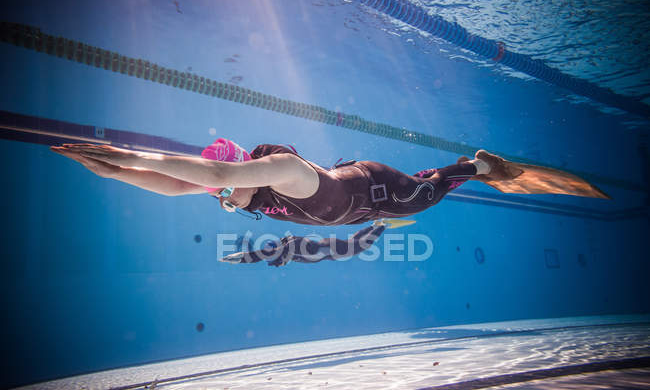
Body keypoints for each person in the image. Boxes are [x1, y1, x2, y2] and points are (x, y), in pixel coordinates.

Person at [50, 140, 515, 226]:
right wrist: (114, 172)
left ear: (241, 170)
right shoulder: (237, 190)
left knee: (427, 195)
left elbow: (217, 176)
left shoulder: (285, 169)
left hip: (377, 189)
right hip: (355, 213)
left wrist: (127, 154)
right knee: (426, 192)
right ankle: (463, 169)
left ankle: (479, 167)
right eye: (222, 196)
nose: (225, 198)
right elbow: (176, 185)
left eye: (227, 190)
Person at [221, 218, 415, 266]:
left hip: (329, 250)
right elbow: (257, 255)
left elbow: (262, 255)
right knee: (355, 242)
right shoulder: (286, 244)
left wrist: (283, 259)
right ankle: (376, 224)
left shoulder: (288, 247)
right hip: (328, 247)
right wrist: (237, 258)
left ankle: (382, 226)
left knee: (361, 245)